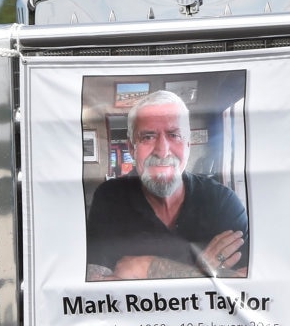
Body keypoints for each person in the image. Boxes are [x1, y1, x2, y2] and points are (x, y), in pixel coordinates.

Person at [85, 90, 248, 281]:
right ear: (131, 148)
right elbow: (96, 284)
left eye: (174, 135)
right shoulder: (109, 197)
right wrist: (202, 273)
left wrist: (146, 268)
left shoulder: (223, 201)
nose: (162, 152)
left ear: (188, 144)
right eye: (148, 137)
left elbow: (248, 285)